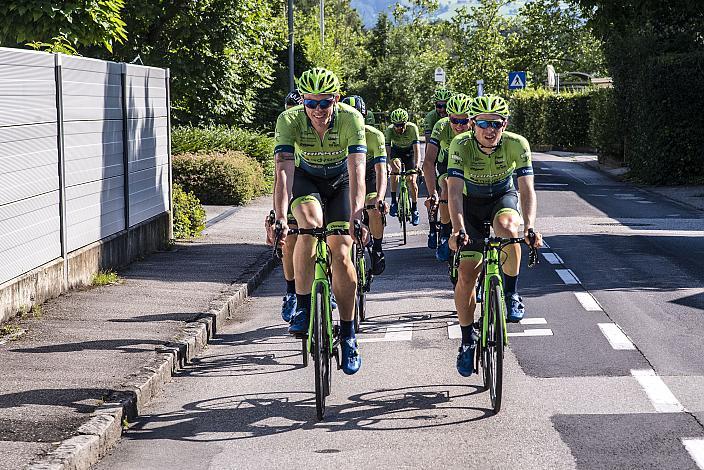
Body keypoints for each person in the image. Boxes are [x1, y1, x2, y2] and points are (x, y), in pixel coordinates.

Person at [273, 67, 367, 375]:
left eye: (324, 103)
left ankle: (349, 333)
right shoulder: (289, 120)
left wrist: (356, 216)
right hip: (306, 179)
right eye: (310, 103)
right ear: (302, 101)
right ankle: (302, 305)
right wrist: (280, 215)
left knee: (341, 252)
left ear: (336, 100)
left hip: (341, 182)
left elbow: (357, 171)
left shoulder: (351, 118)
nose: (317, 110)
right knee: (309, 226)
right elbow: (284, 172)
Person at [446, 94, 543, 377]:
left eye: (496, 124)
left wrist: (530, 227)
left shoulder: (517, 144)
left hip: (502, 197)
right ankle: (467, 340)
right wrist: (458, 229)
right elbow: (453, 192)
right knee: (467, 274)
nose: (490, 130)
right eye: (484, 124)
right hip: (470, 205)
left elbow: (526, 190)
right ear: (473, 124)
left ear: (505, 124)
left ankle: (511, 293)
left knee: (509, 230)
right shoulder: (459, 144)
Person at [265, 90, 304, 322]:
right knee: (289, 242)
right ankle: (291, 292)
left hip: (316, 185)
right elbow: (278, 177)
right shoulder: (284, 133)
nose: (292, 117)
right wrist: (276, 212)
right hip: (291, 189)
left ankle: (327, 280)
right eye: (288, 111)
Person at [422, 93, 472, 262]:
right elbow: (428, 162)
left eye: (464, 121)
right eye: (454, 120)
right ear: (448, 117)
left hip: (469, 167)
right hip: (447, 165)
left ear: (471, 120)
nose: (459, 125)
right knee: (446, 185)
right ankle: (444, 234)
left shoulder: (479, 129)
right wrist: (431, 192)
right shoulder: (441, 126)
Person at [342, 95, 388, 275]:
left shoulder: (375, 136)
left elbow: (381, 170)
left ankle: (377, 249)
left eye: (359, 117)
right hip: (346, 178)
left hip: (369, 177)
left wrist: (380, 197)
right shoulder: (337, 134)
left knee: (374, 208)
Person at [385, 108, 422, 225]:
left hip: (409, 152)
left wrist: (417, 165)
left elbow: (417, 150)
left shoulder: (412, 128)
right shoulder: (390, 130)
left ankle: (415, 209)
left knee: (411, 180)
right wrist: (388, 164)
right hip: (396, 151)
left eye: (401, 125)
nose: (398, 128)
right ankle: (394, 202)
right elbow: (388, 151)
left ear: (406, 123)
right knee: (395, 169)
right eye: (396, 125)